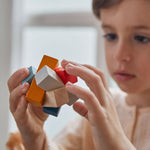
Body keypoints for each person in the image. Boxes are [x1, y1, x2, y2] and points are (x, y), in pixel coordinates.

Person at [6, 0, 150, 149]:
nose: (119, 55)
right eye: (111, 36)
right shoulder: (98, 108)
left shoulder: (99, 110)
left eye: (141, 38)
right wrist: (35, 139)